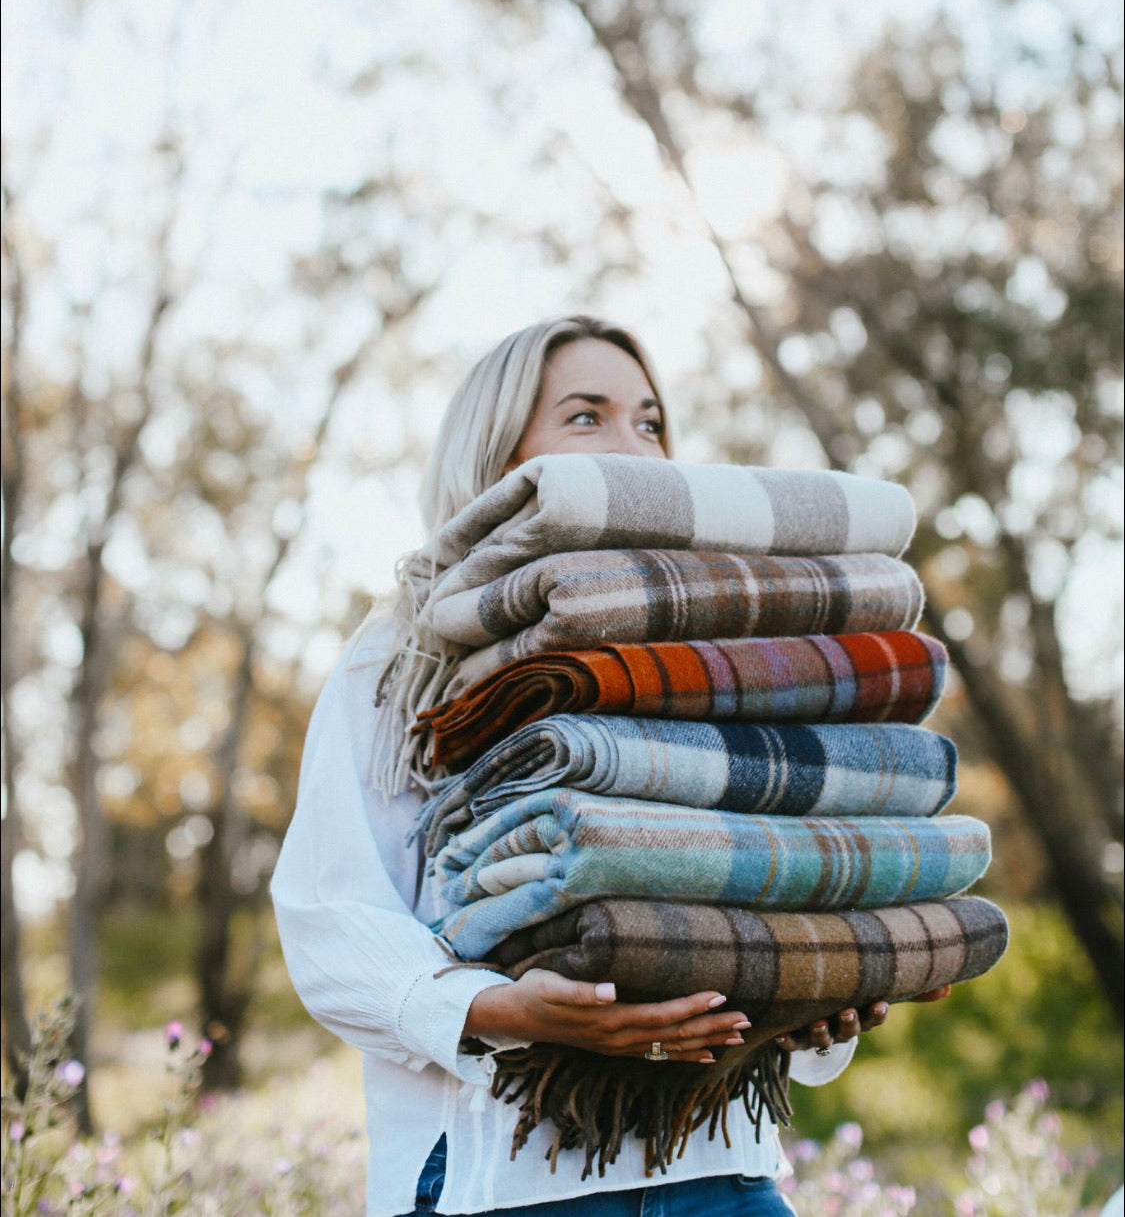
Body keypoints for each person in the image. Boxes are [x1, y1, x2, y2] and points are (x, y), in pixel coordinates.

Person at [272, 315, 947, 1217]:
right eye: (585, 417)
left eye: (651, 420)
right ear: (500, 460)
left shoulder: (729, 648)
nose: (632, 445)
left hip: (724, 1174)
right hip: (503, 1177)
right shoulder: (402, 663)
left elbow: (782, 862)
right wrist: (502, 1011)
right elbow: (330, 920)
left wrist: (821, 986)